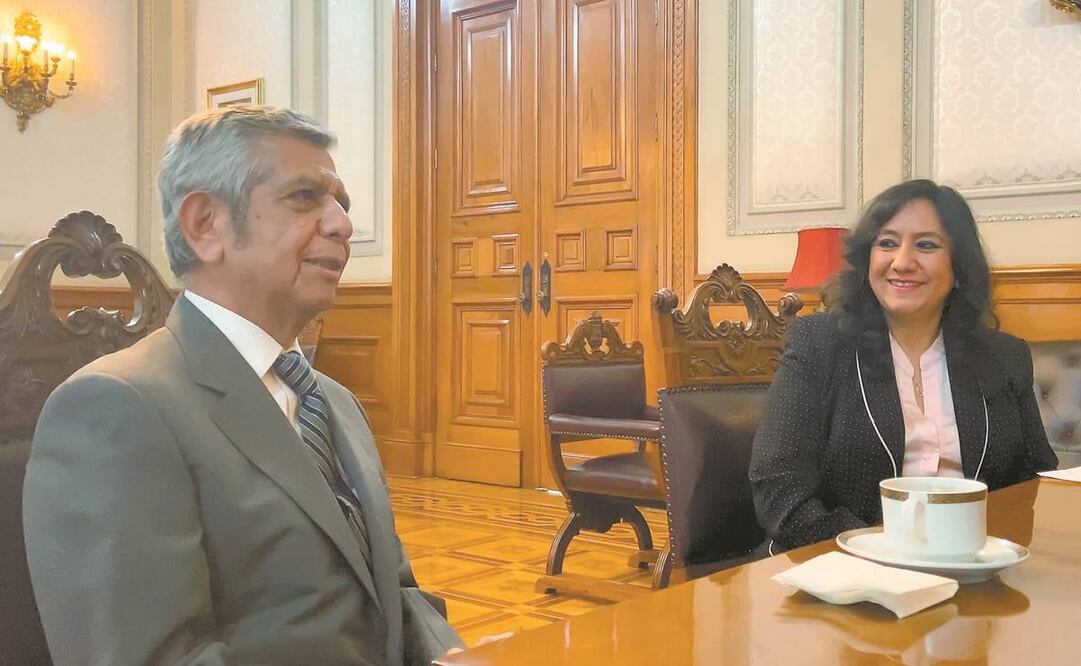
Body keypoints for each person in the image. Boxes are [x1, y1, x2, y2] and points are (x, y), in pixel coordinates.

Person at [23, 105, 463, 665]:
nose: (343, 225)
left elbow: (396, 593)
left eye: (342, 204)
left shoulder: (337, 402)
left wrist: (450, 656)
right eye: (305, 197)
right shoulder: (115, 408)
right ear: (205, 225)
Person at [749, 179, 1058, 552]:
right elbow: (778, 484)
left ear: (959, 265)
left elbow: (1033, 479)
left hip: (969, 563)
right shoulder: (819, 343)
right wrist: (879, 550)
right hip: (841, 564)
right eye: (887, 243)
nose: (902, 262)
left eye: (926, 245)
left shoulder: (1005, 357)